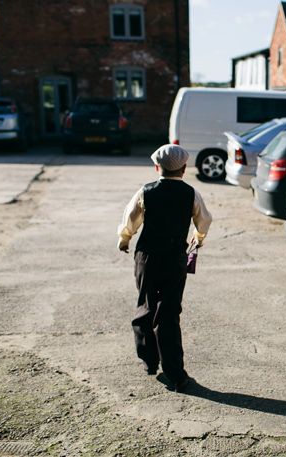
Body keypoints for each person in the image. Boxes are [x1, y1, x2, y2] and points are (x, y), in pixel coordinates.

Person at [116, 145, 213, 393]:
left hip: (147, 257)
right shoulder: (191, 193)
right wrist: (198, 238)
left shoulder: (146, 191)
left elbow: (131, 217)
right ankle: (176, 374)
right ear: (184, 168)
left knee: (146, 305)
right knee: (169, 313)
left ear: (156, 167)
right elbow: (204, 219)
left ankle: (149, 360)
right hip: (174, 257)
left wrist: (125, 239)